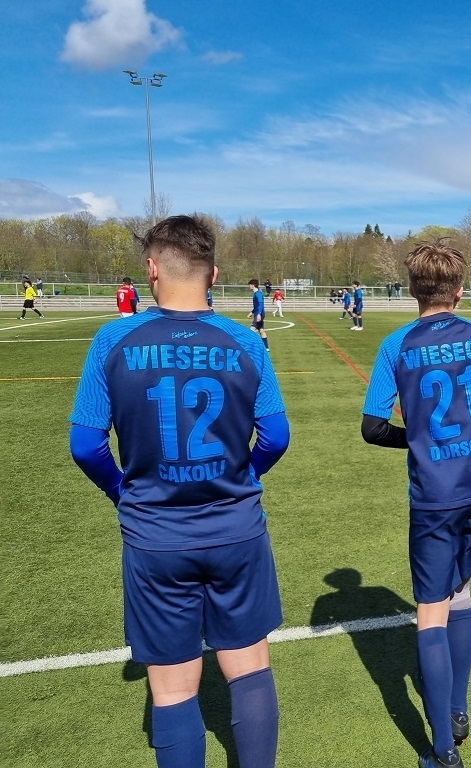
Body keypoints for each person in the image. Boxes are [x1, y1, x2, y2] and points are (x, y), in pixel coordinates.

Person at [68, 214, 290, 768]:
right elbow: (276, 436)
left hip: (155, 535)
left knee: (171, 689)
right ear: (213, 273)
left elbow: (86, 446)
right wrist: (244, 476)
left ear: (152, 269)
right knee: (250, 668)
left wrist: (122, 492)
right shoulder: (244, 340)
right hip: (236, 529)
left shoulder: (114, 339)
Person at [361, 241, 471, 768]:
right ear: (459, 291)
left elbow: (372, 428)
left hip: (435, 496)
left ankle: (442, 748)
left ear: (412, 289)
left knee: (430, 610)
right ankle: (458, 708)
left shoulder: (396, 345)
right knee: (460, 589)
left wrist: (417, 440)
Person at [248, 279, 270, 349]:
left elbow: (261, 304)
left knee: (251, 330)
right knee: (261, 330)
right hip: (258, 313)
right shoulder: (256, 293)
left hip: (259, 314)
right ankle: (266, 347)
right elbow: (256, 306)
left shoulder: (258, 293)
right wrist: (252, 312)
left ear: (253, 285)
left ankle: (250, 347)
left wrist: (258, 314)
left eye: (250, 285)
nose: (249, 286)